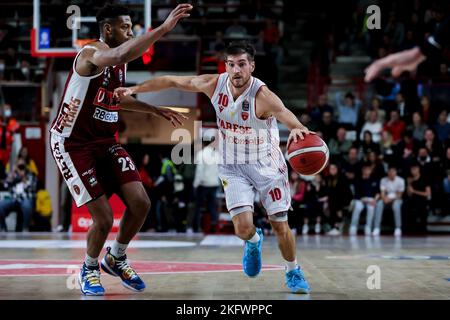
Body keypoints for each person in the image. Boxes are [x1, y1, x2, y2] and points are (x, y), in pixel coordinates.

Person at [115, 42, 312, 294]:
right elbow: (171, 80)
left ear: (251, 66)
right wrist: (134, 88)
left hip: (267, 165)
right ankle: (253, 241)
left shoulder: (262, 95)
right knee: (242, 228)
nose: (236, 70)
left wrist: (297, 127)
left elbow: (285, 114)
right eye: (231, 64)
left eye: (242, 64)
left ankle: (293, 270)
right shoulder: (213, 84)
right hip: (233, 165)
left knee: (280, 224)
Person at [48, 3, 192, 296]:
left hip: (104, 141)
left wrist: (153, 110)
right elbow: (121, 53)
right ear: (108, 29)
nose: (130, 31)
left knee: (141, 202)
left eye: (131, 27)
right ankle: (89, 267)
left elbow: (116, 97)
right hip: (72, 143)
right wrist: (163, 29)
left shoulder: (119, 63)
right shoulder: (91, 53)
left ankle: (116, 257)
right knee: (103, 219)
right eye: (125, 27)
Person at [0, 159, 37, 232]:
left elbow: (31, 187)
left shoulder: (30, 175)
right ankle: (3, 229)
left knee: (27, 206)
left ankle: (25, 228)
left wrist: (23, 177)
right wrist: (12, 173)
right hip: (14, 199)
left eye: (22, 166)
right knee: (1, 205)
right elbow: (6, 185)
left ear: (26, 166)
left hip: (26, 198)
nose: (20, 168)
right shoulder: (14, 175)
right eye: (19, 166)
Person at [373, 166, 405, 237]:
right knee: (379, 204)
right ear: (387, 172)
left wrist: (390, 199)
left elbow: (399, 195)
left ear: (396, 172)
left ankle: (398, 228)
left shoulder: (401, 180)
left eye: (393, 171)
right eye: (390, 171)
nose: (391, 173)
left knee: (396, 205)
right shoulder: (383, 180)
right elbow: (382, 192)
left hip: (396, 199)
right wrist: (384, 199)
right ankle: (376, 227)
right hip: (385, 199)